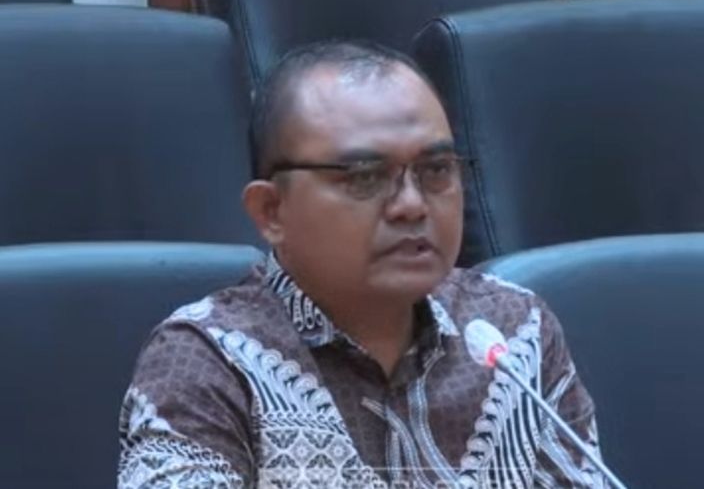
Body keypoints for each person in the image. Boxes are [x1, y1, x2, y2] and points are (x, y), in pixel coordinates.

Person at [118, 40, 607, 488]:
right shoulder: (207, 362)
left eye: (436, 170)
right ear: (271, 211)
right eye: (364, 177)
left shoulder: (515, 331)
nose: (411, 205)